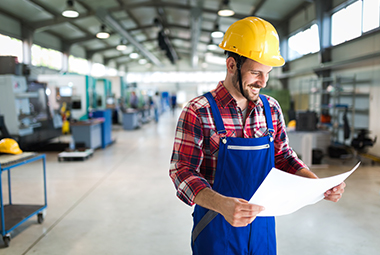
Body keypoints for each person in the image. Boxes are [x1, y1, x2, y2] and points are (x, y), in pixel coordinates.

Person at [169, 17, 345, 255]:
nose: (262, 82)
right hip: (215, 225)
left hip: (263, 225)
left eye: (267, 73)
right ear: (232, 65)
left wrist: (316, 184)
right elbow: (182, 171)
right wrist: (221, 204)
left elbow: (282, 156)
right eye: (255, 72)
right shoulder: (198, 110)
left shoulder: (270, 108)